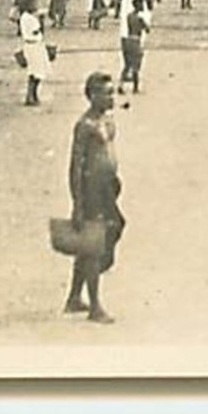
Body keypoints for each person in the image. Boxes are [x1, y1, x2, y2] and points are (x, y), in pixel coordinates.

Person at [65, 71, 126, 323]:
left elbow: (108, 153)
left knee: (112, 230)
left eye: (113, 92)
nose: (112, 97)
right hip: (91, 190)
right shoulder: (85, 125)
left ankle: (73, 297)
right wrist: (77, 203)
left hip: (106, 187)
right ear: (92, 96)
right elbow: (76, 166)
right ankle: (94, 306)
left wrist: (114, 179)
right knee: (94, 244)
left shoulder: (107, 121)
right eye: (106, 93)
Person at [19, 7, 51, 105]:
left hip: (32, 45)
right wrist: (41, 21)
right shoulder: (29, 19)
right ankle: (30, 96)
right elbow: (37, 31)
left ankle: (33, 95)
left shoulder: (25, 17)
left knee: (35, 72)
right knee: (35, 72)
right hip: (33, 46)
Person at [119, 0, 150, 93]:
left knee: (127, 65)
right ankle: (135, 88)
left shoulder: (129, 16)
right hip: (136, 41)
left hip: (127, 40)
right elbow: (147, 29)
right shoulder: (139, 18)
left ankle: (121, 85)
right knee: (136, 65)